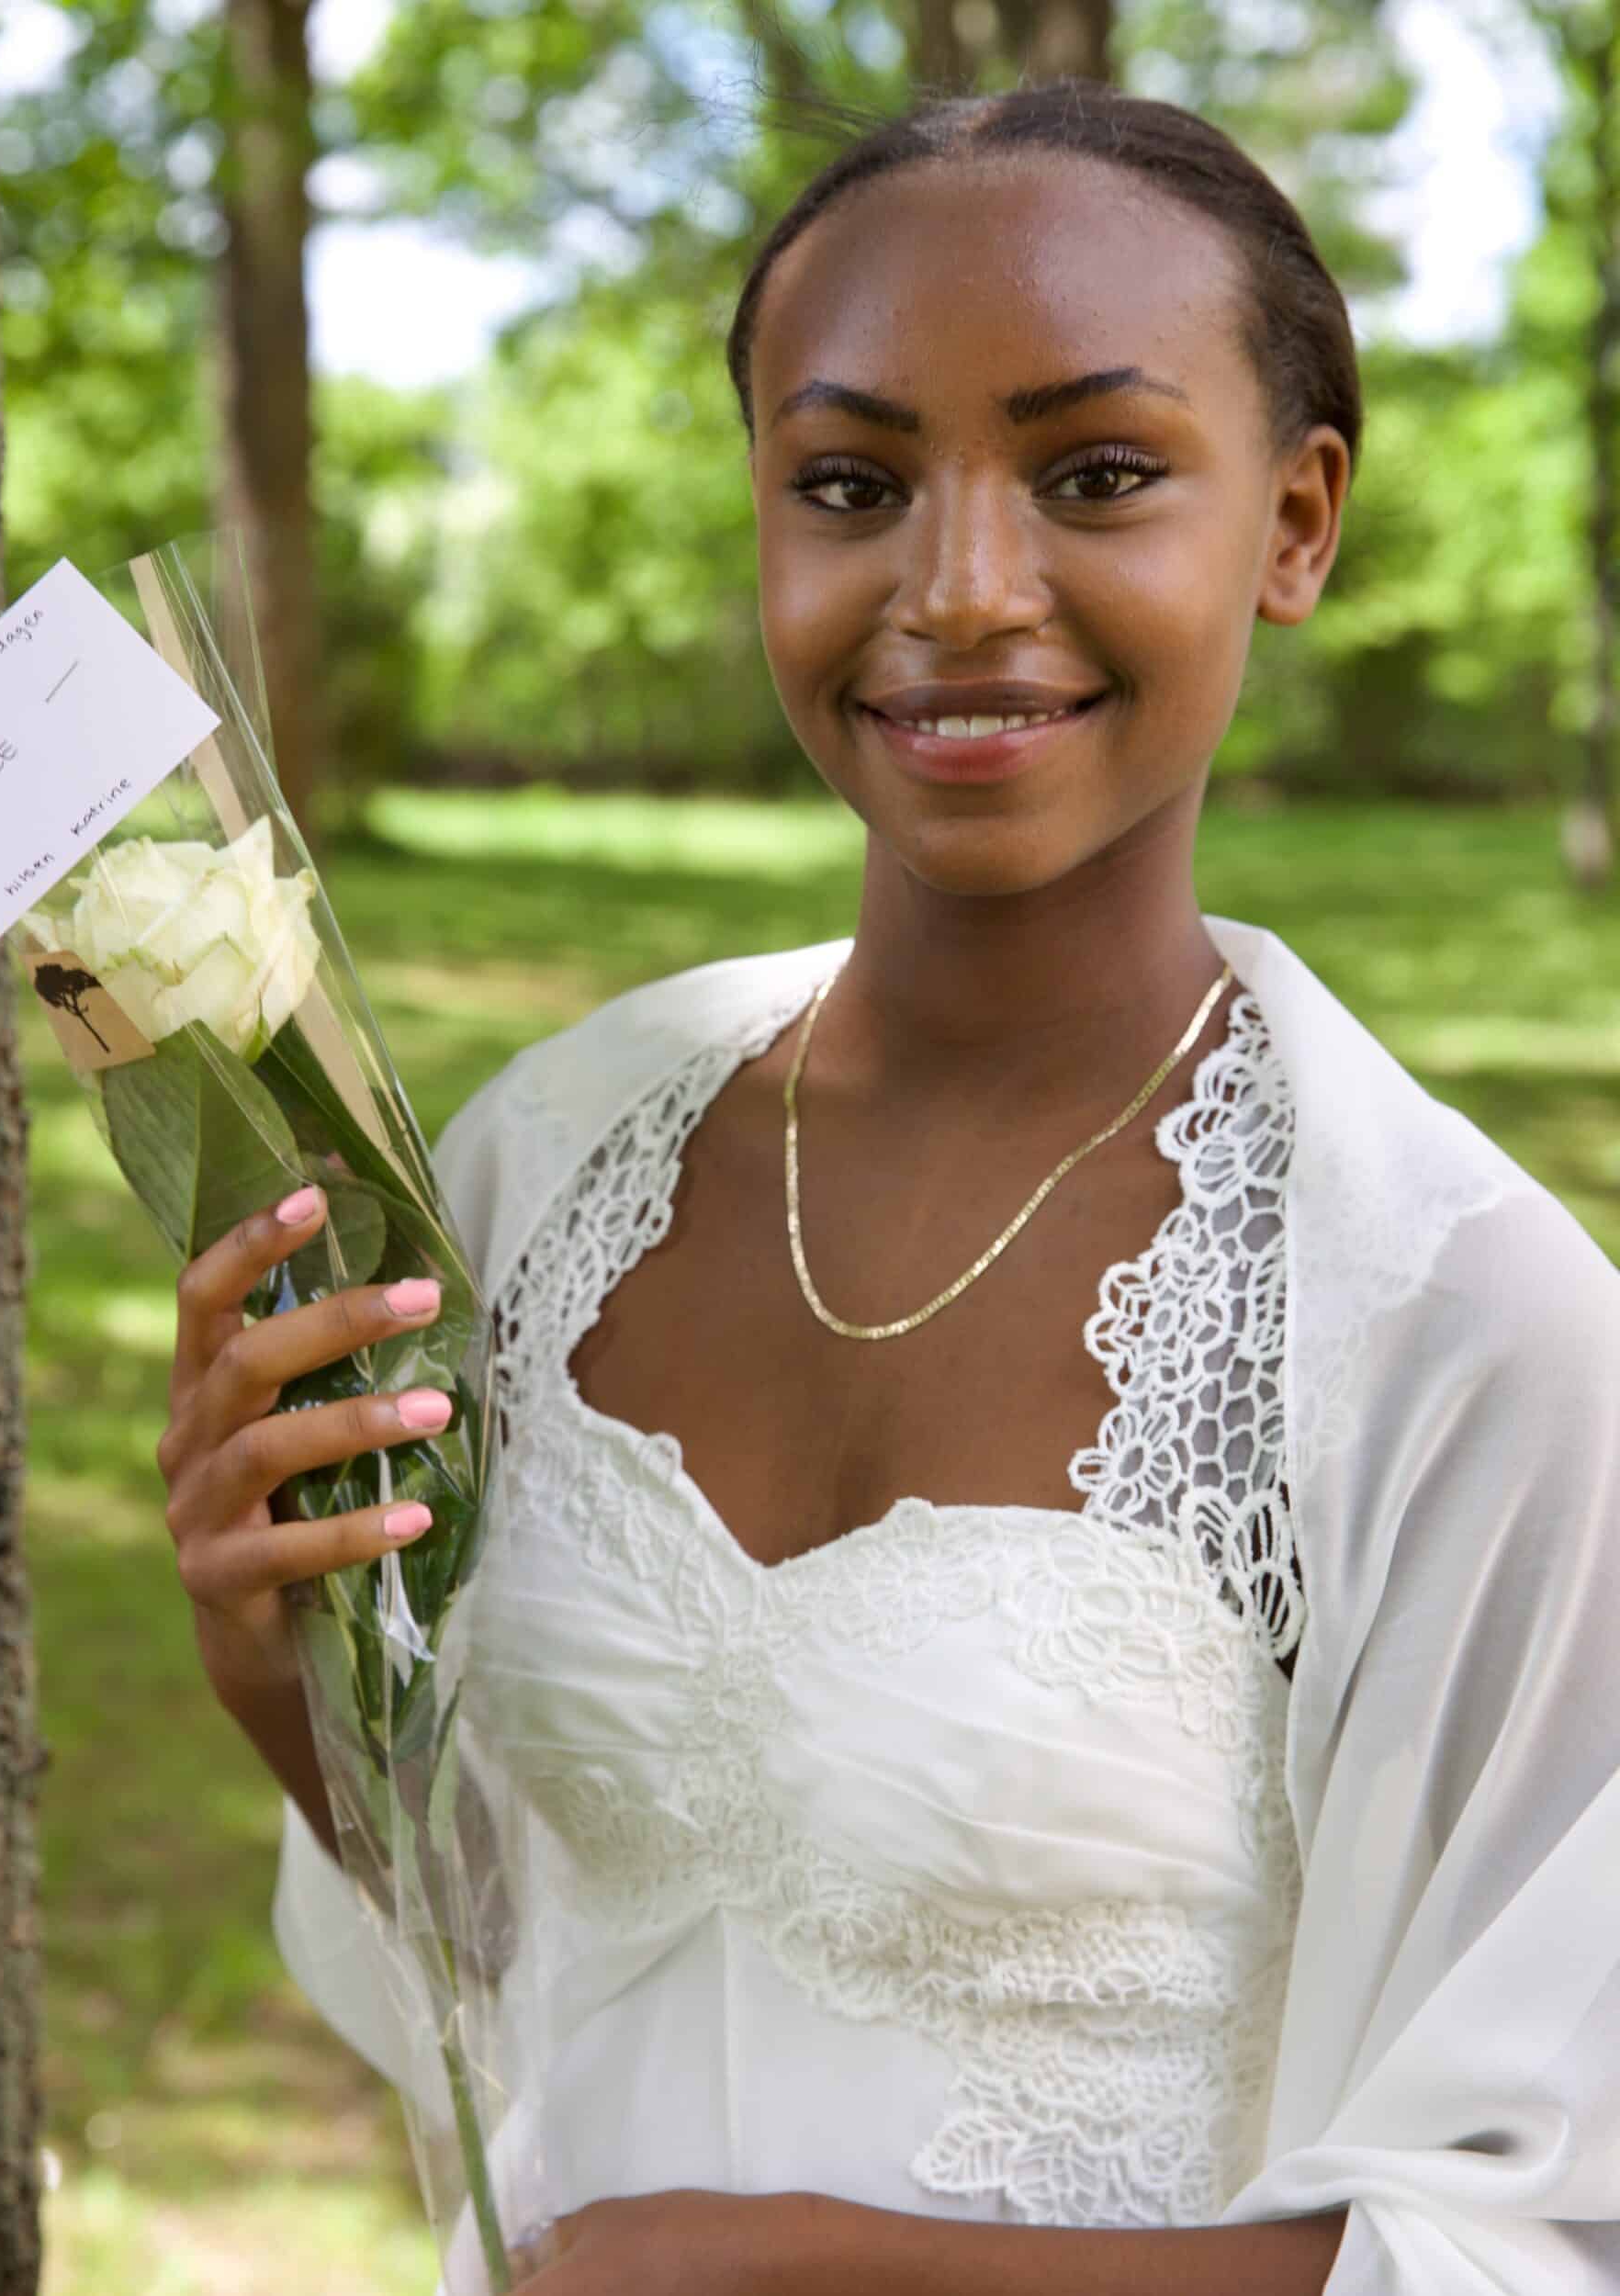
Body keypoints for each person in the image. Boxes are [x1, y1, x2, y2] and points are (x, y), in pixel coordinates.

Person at [158, 80, 1620, 2296]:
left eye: (1098, 473)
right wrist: (278, 1661)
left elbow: (1544, 2234)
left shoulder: (1462, 1322)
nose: (958, 589)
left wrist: (803, 2267)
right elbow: (520, 1961)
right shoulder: (542, 1162)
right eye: (850, 485)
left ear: (1297, 522)